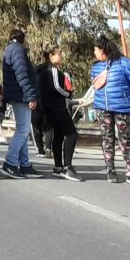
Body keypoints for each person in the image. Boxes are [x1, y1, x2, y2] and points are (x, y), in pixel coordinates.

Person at [90, 35, 130, 184]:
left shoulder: (125, 64)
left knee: (125, 140)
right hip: (102, 108)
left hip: (123, 109)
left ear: (104, 49)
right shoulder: (96, 66)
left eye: (96, 50)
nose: (94, 53)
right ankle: (110, 171)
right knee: (107, 139)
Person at [0, 29, 40, 179]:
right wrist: (30, 96)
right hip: (21, 95)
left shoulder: (10, 50)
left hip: (17, 94)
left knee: (22, 129)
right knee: (23, 130)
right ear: (22, 38)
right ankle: (10, 163)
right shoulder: (17, 51)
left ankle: (24, 164)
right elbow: (22, 74)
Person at [37, 47, 81, 180]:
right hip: (56, 107)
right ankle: (67, 167)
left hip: (47, 107)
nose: (62, 56)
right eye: (59, 54)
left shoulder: (40, 69)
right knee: (72, 134)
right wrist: (68, 94)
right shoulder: (53, 70)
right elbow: (56, 87)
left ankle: (58, 167)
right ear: (51, 55)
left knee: (59, 136)